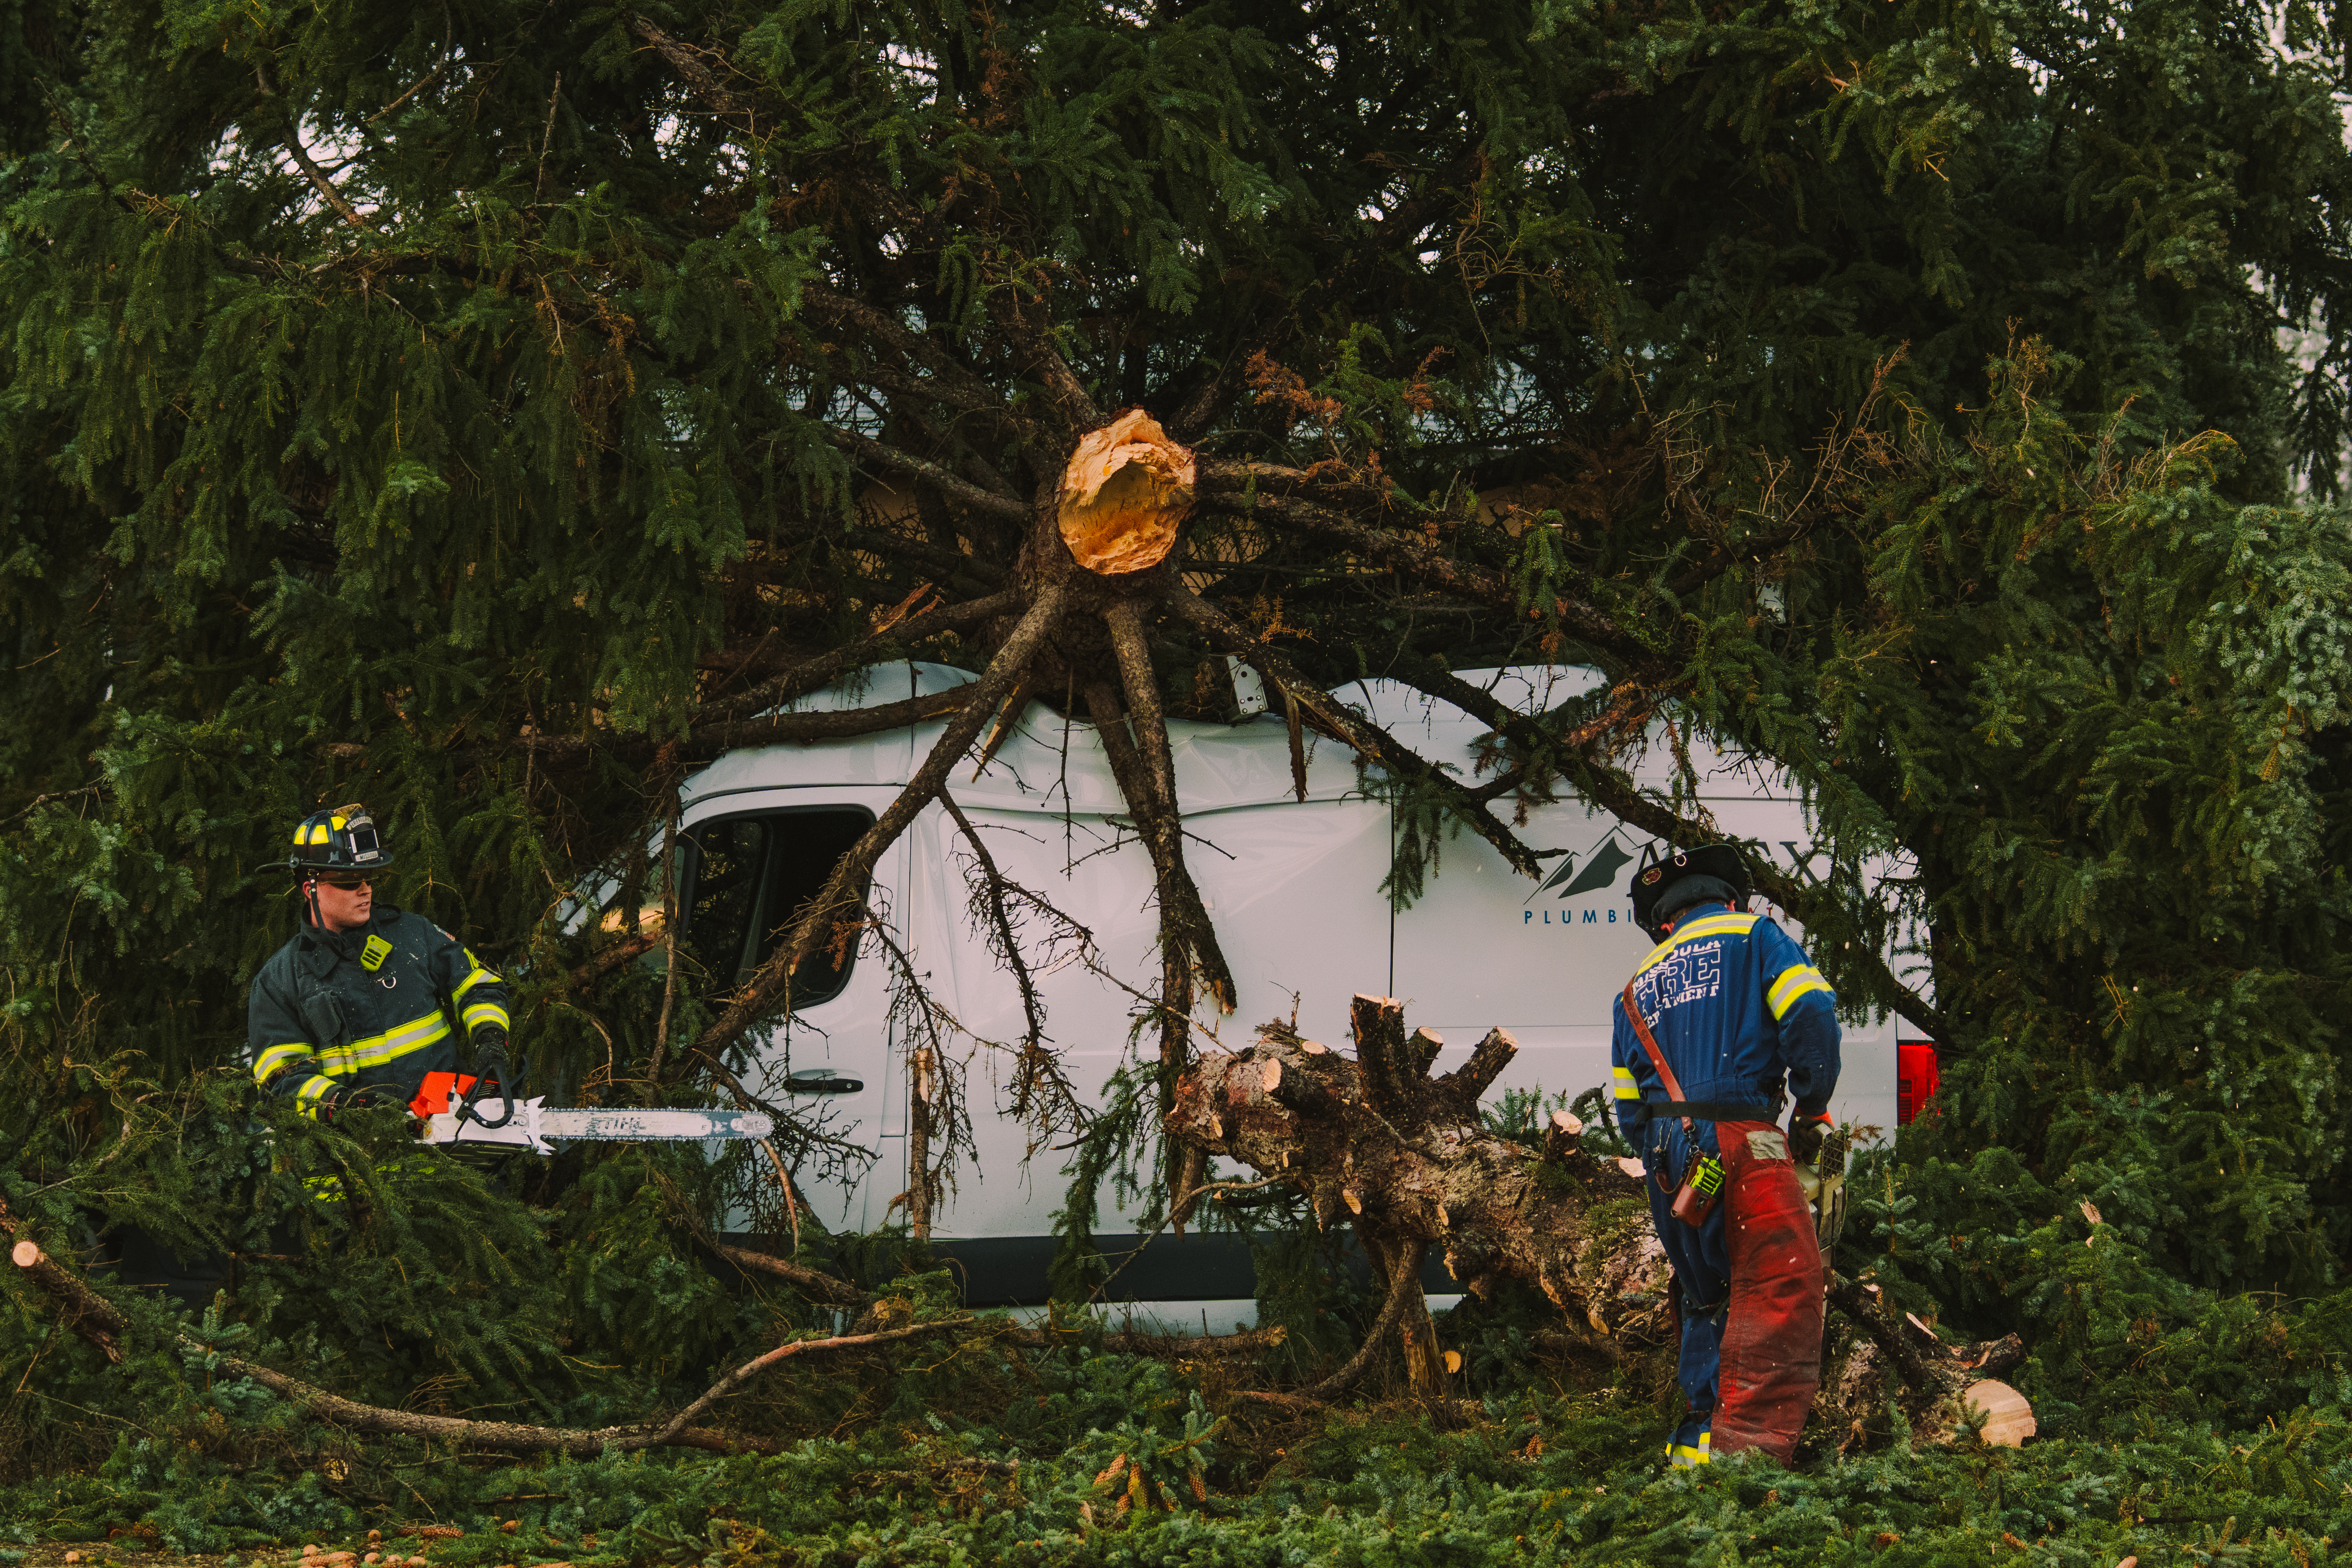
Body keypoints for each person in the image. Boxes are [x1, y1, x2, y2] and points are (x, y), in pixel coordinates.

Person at [1611, 844, 1840, 1467]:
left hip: (1666, 1160)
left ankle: (1696, 1447)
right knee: (1780, 1286)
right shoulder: (1755, 935)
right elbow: (1812, 1011)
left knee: (1704, 1293)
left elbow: (1629, 1106)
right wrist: (1812, 1103)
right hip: (1744, 1137)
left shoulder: (1634, 988)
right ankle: (1750, 1463)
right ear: (1732, 899)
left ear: (1665, 919)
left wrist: (1673, 1162)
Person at [248, 804, 514, 1123]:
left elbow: (478, 986)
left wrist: (491, 1042)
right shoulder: (279, 981)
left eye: (369, 876)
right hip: (355, 1160)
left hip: (449, 1136)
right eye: (349, 880)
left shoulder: (413, 934)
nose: (365, 889)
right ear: (311, 889)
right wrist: (348, 1105)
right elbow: (282, 1080)